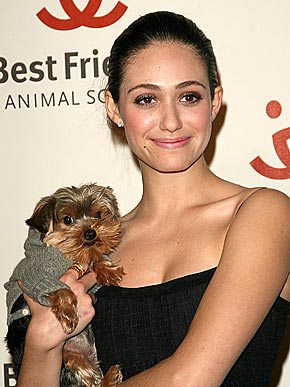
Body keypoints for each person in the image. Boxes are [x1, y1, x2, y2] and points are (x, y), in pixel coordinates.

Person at [15, 11, 289, 386]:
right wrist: (42, 344)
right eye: (146, 99)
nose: (171, 121)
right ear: (114, 109)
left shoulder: (263, 214)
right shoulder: (93, 246)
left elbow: (190, 378)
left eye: (189, 96)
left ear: (214, 102)